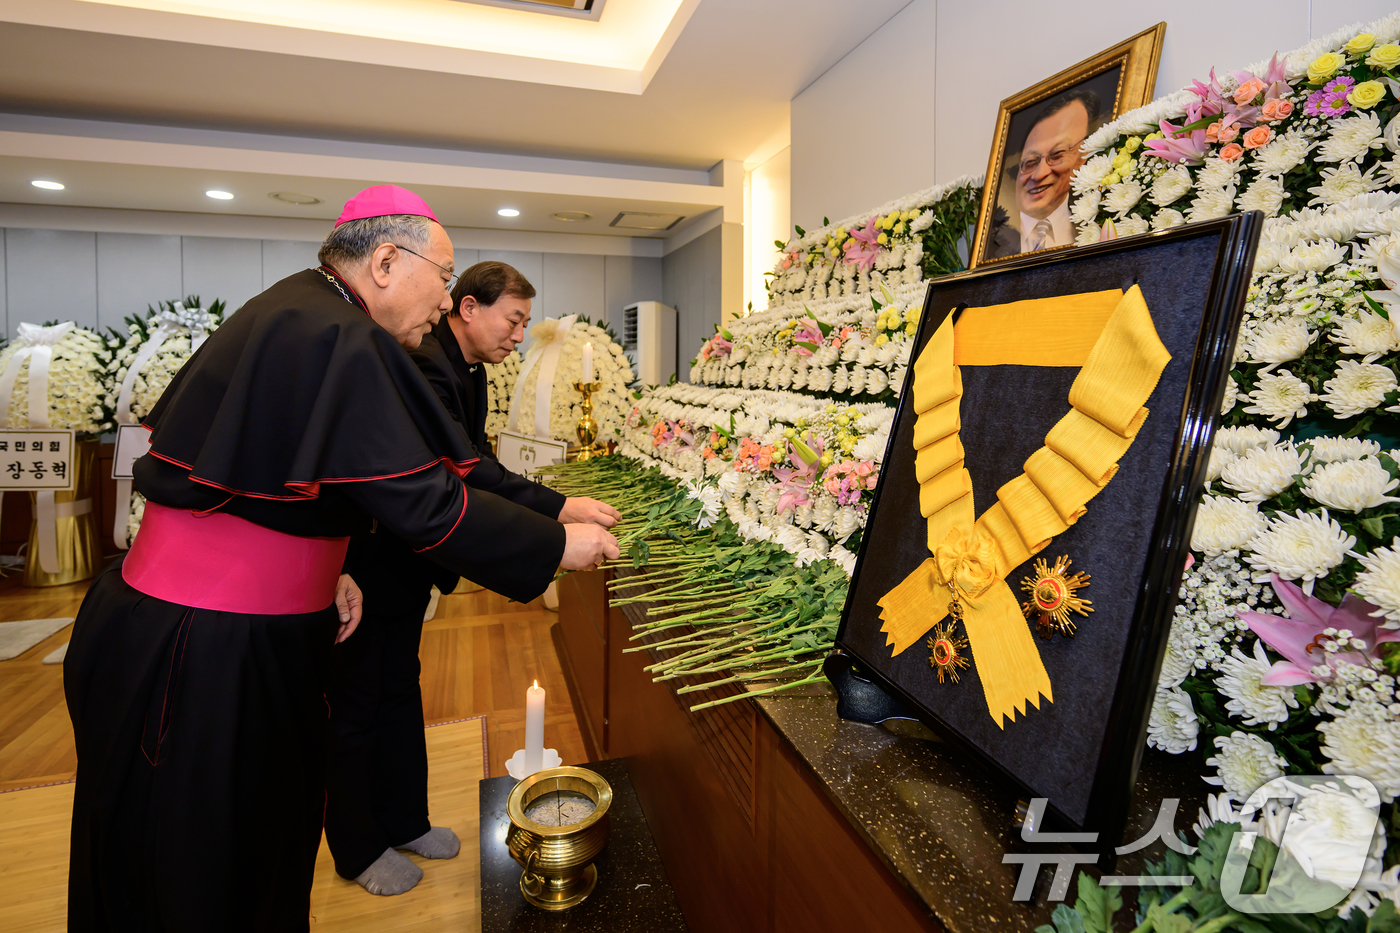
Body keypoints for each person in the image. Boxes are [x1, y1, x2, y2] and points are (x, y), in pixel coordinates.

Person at [63, 185, 619, 932]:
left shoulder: (302, 311)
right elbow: (426, 503)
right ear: (387, 261)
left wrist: (332, 566)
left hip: (199, 626)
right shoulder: (339, 336)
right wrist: (557, 543)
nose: (444, 300)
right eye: (443, 277)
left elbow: (266, 486)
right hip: (206, 649)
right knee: (207, 868)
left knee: (245, 849)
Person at [325, 261, 619, 896]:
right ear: (467, 308)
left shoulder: (470, 368)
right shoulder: (426, 363)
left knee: (399, 688)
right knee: (355, 705)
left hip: (408, 561)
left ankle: (404, 819)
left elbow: (476, 460)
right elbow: (462, 473)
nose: (519, 335)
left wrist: (552, 507)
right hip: (368, 562)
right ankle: (357, 846)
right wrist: (558, 515)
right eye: (513, 320)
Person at [986, 89, 1100, 260]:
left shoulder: (1100, 228)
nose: (1039, 175)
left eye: (1057, 155)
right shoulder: (988, 243)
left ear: (1083, 157)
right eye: (1030, 161)